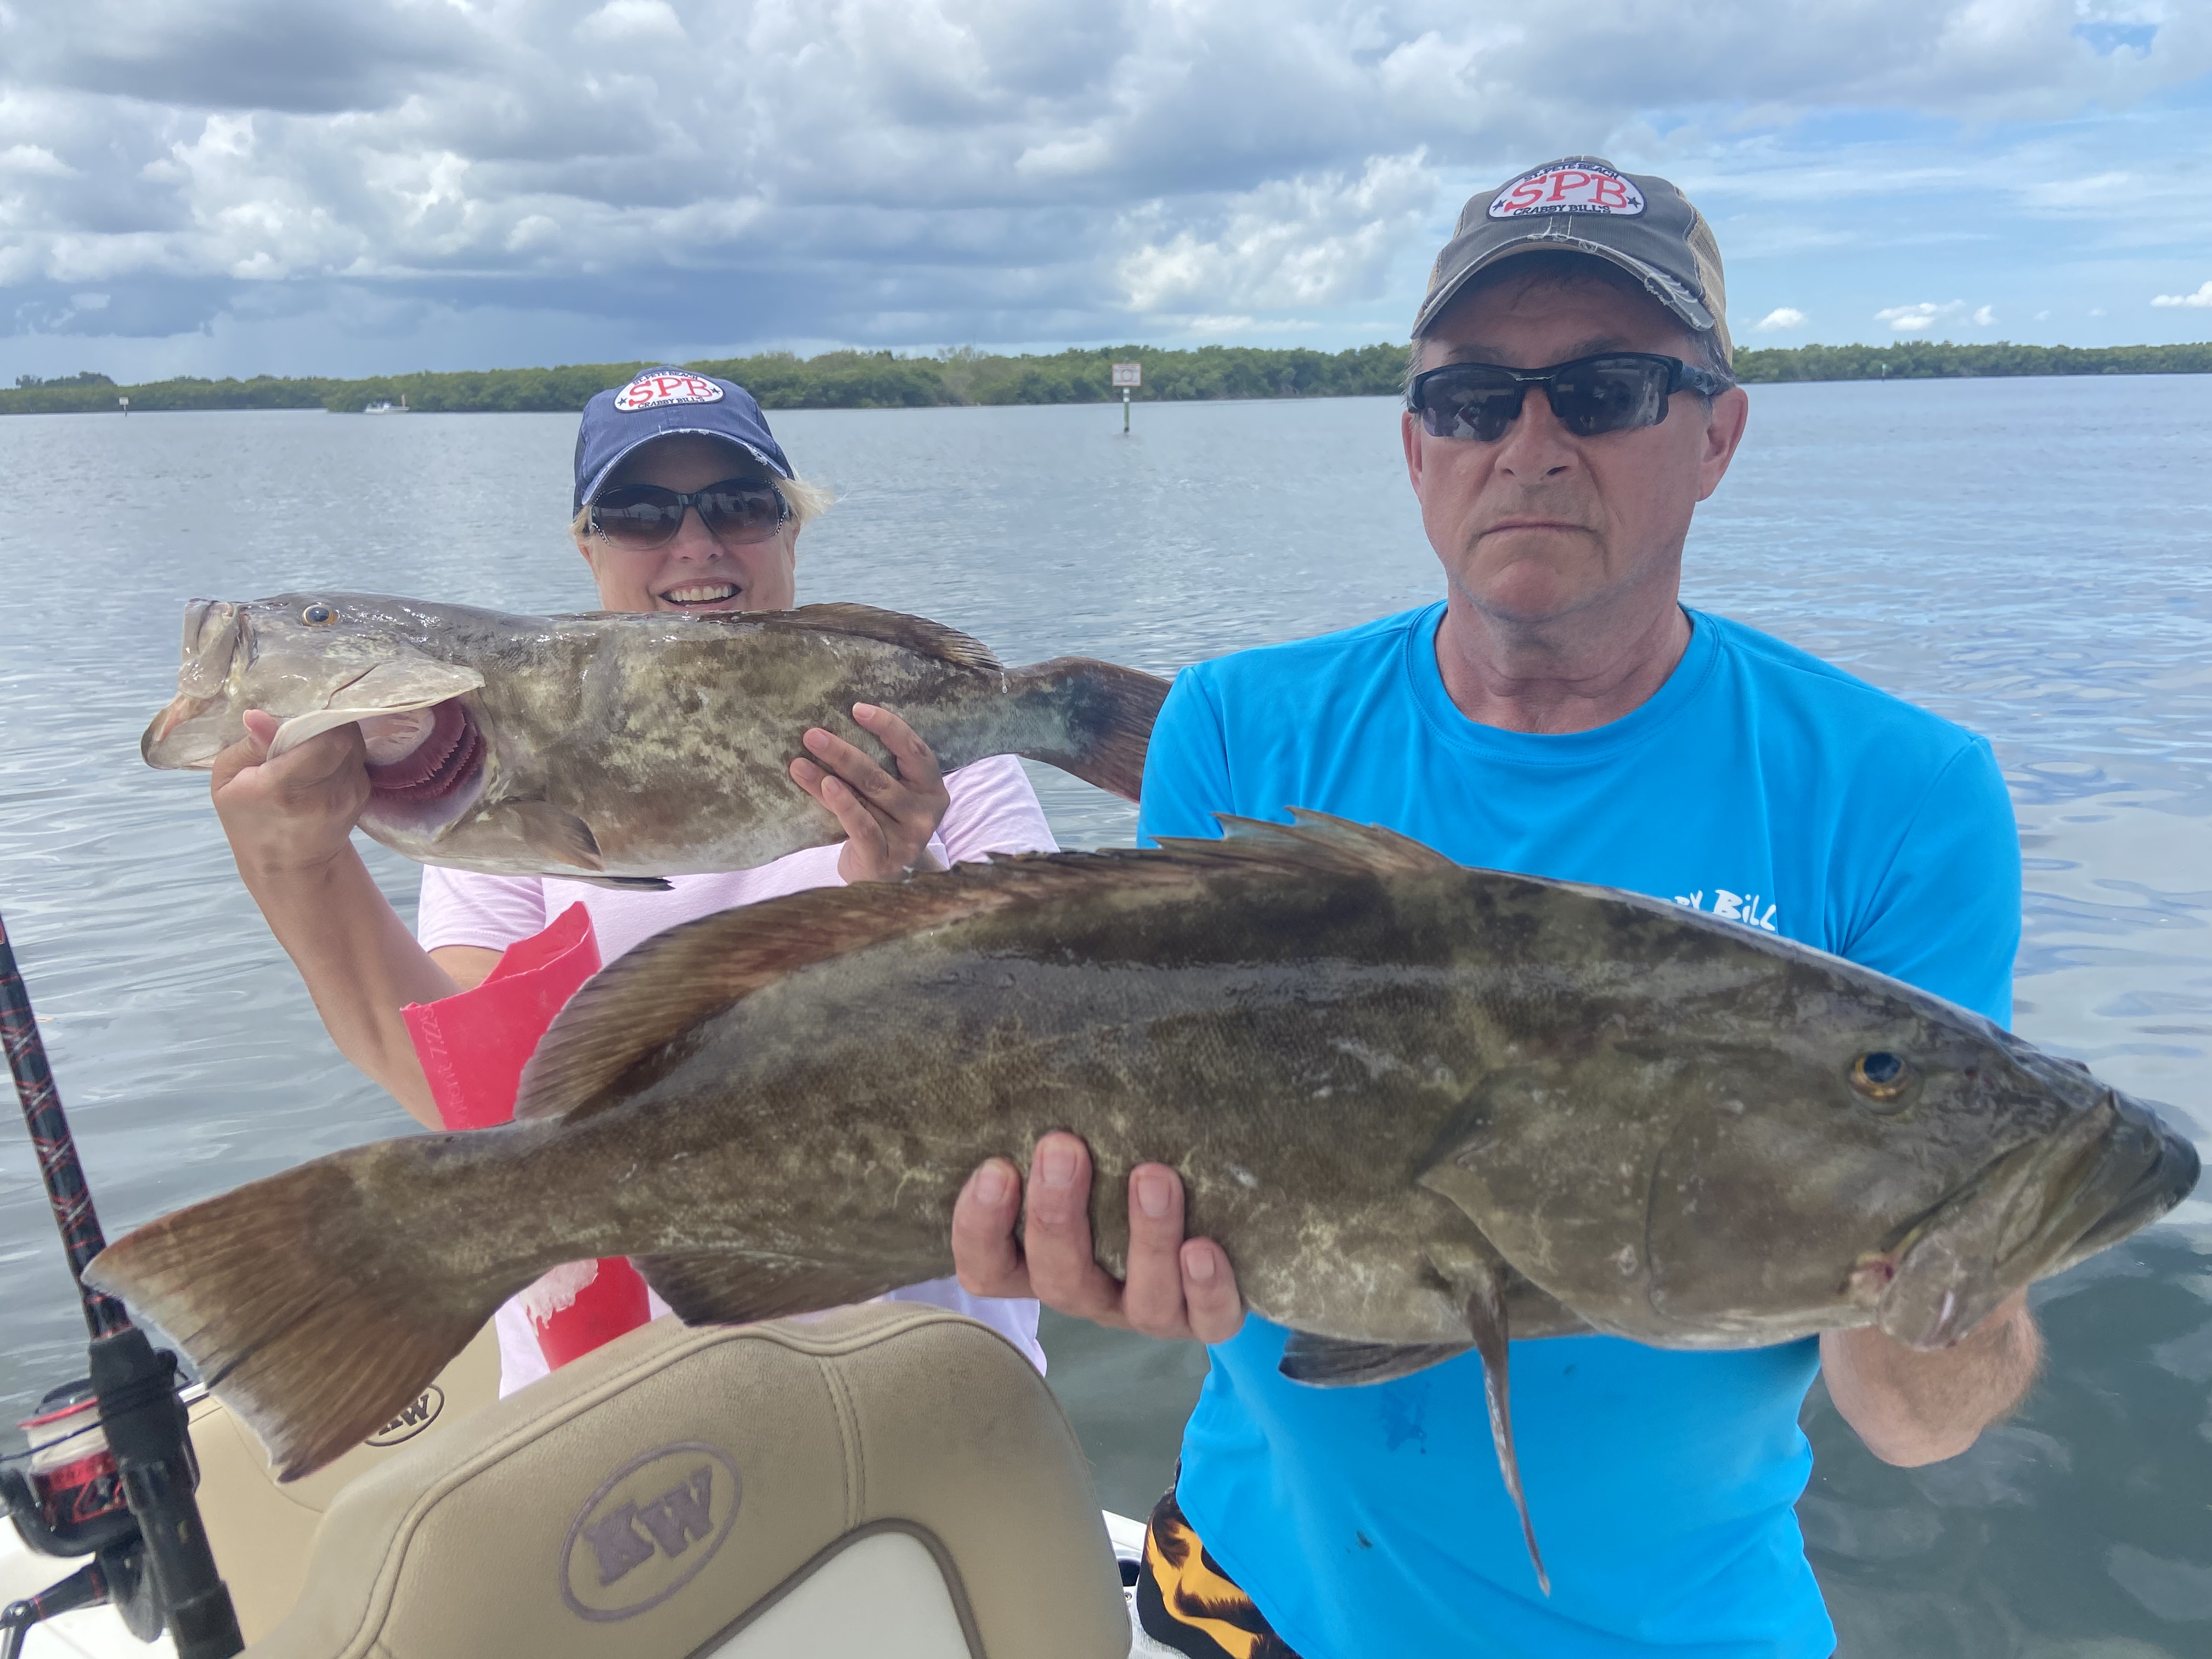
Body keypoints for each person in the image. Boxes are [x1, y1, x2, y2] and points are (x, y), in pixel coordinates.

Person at [950, 159, 2040, 1656]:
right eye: (1474, 400)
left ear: (1716, 433)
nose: (1531, 443)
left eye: (1604, 390)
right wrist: (1084, 1244)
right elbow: (1143, 1104)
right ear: (1415, 448)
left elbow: (1918, 1424)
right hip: (1249, 1593)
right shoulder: (1236, 729)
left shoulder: (1901, 795)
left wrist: (1956, 1268)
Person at [206, 366, 1052, 1391]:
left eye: (741, 506)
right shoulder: (505, 773)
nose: (696, 547)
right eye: (641, 513)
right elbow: (469, 1096)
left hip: (925, 1371)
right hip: (611, 1407)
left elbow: (1051, 1047)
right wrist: (299, 864)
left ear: (793, 528)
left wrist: (902, 881)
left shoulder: (934, 751)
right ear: (585, 543)